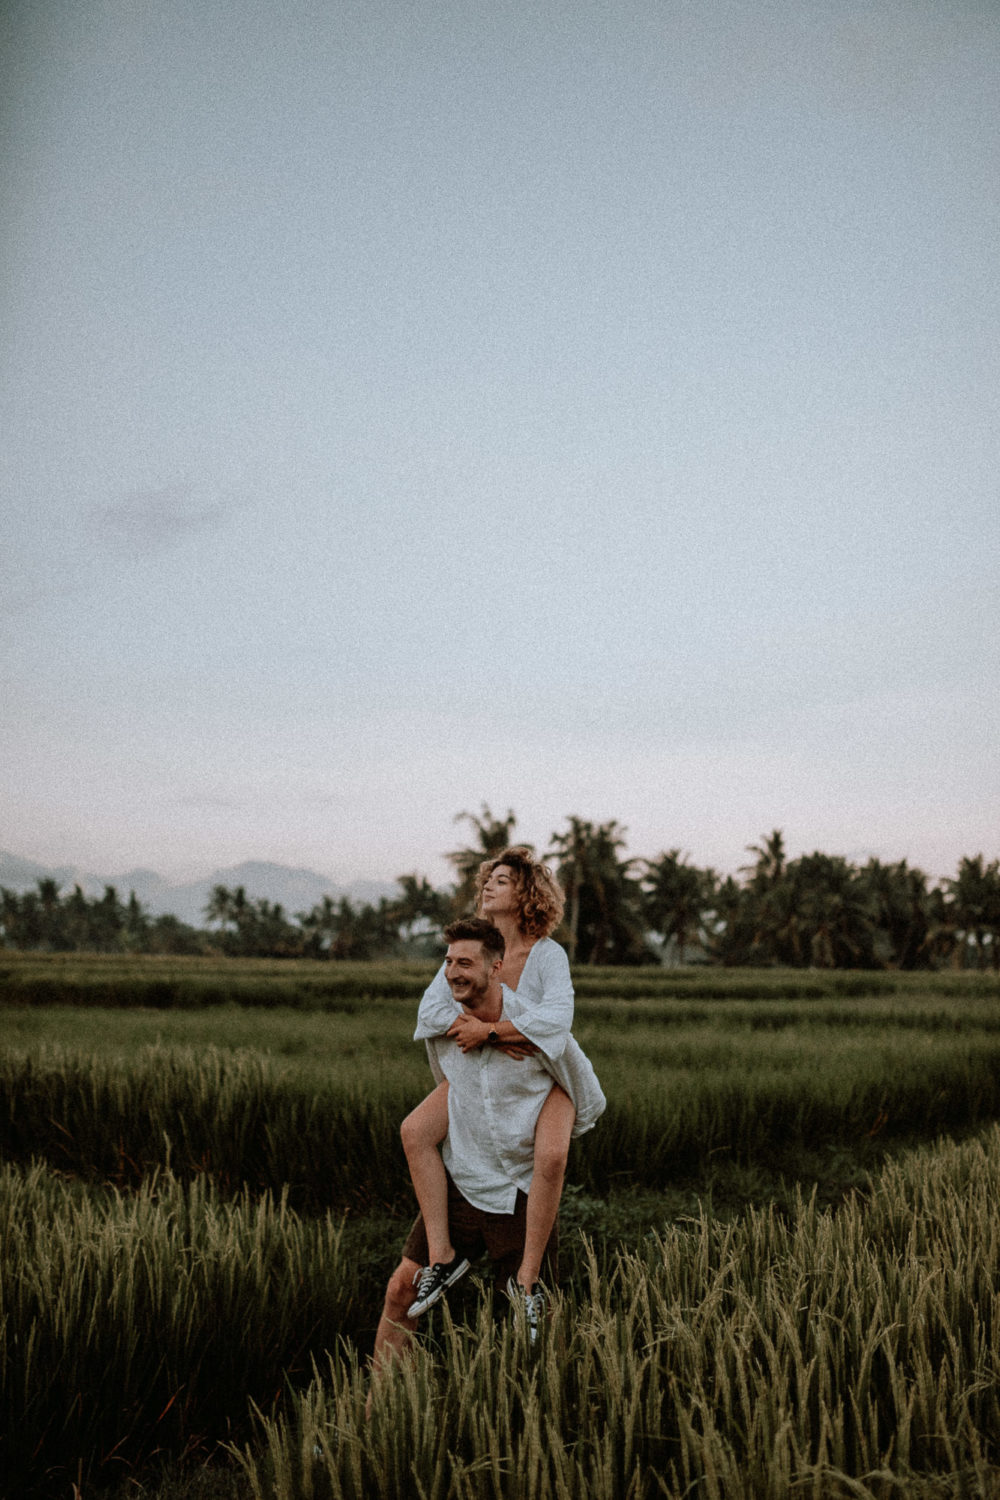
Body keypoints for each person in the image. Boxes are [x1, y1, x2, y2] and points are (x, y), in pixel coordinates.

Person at [400, 848, 604, 1318]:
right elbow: (431, 1011)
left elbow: (557, 1022)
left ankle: (527, 1283)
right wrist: (495, 1038)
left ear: (527, 894)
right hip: (483, 1078)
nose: (489, 884)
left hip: (546, 1078)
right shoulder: (476, 951)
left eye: (503, 880)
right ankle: (442, 1258)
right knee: (415, 1131)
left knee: (551, 1157)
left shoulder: (547, 956)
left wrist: (491, 1029)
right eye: (488, 879)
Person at [372, 917, 583, 1371]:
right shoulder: (447, 1025)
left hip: (519, 1195)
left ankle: (525, 1425)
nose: (452, 972)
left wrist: (553, 1127)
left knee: (535, 1335)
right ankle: (377, 1418)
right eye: (448, 962)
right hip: (462, 1184)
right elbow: (428, 1018)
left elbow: (588, 1094)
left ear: (497, 968)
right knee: (399, 1292)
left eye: (464, 963)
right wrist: (473, 1031)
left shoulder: (536, 1034)